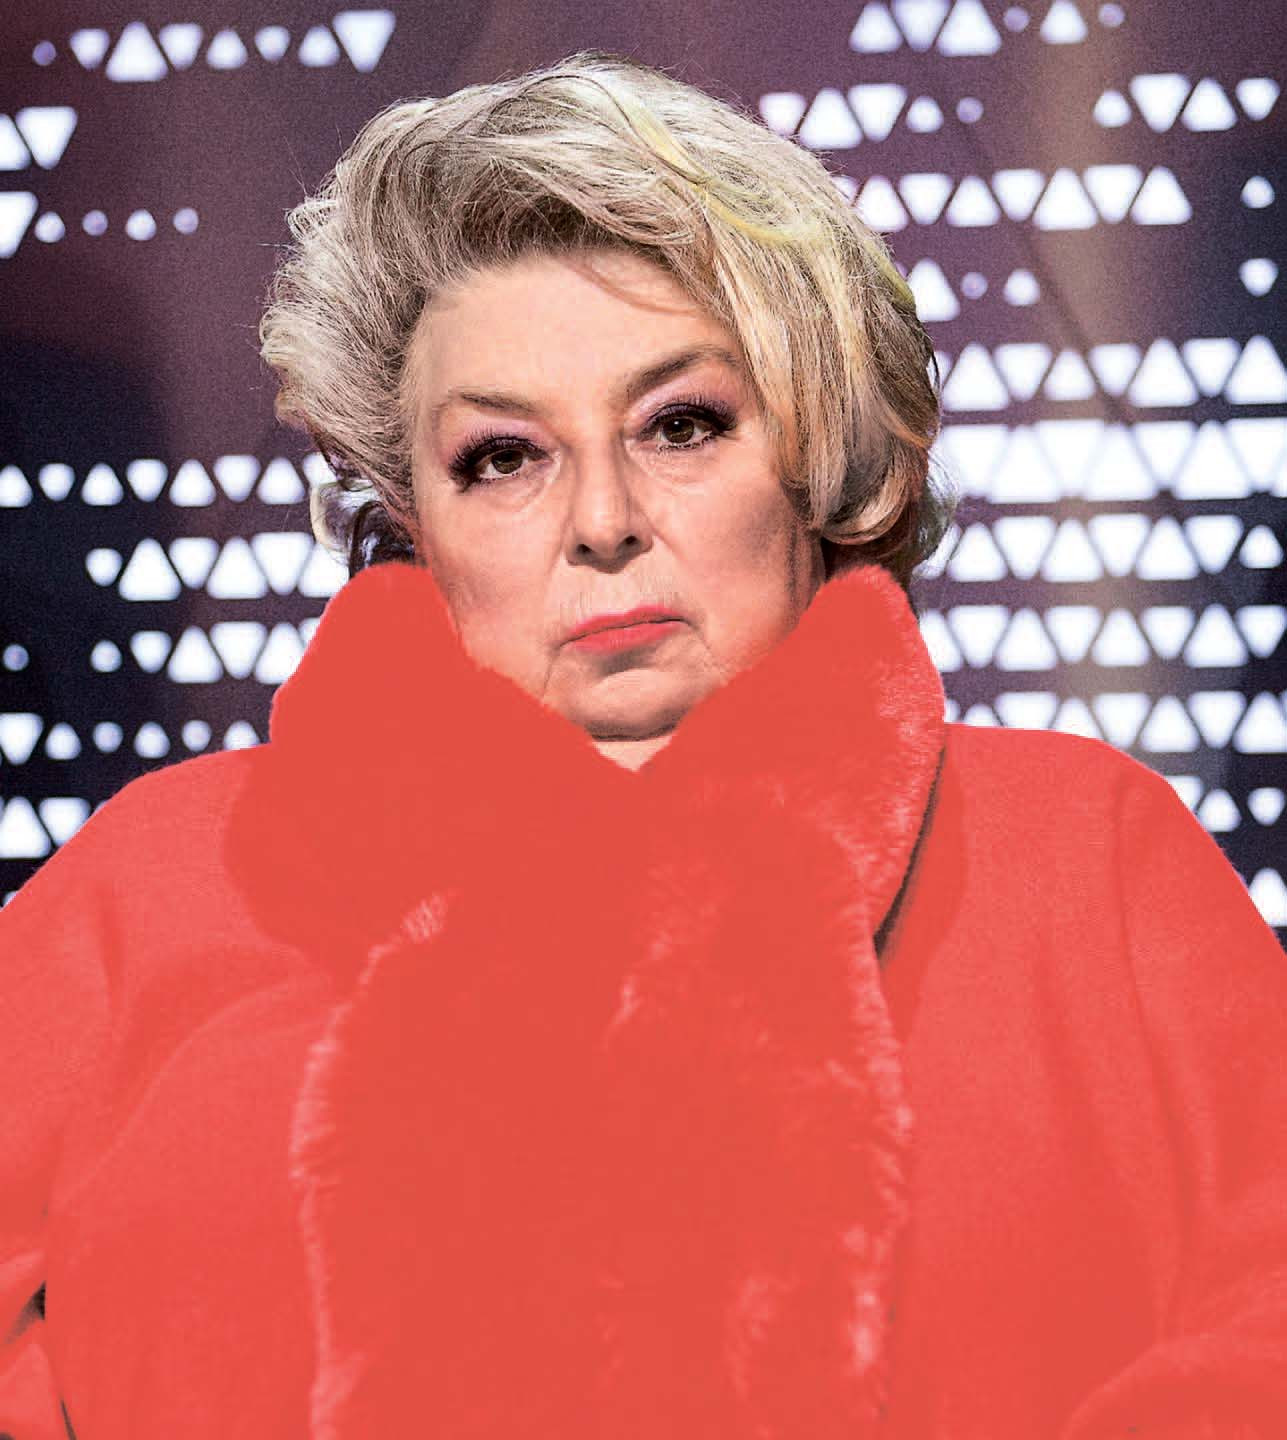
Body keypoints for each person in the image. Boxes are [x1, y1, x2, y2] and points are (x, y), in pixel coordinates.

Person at [2, 48, 1285, 1440]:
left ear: (819, 457)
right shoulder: (152, 887)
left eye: (681, 425)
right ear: (410, 518)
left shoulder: (1091, 859)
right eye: (503, 457)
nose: (604, 519)